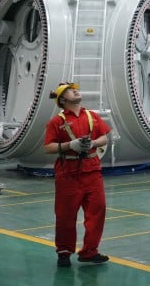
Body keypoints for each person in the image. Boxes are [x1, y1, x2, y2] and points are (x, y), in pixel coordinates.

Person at [44, 82, 111, 268]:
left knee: (98, 211)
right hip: (68, 174)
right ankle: (64, 253)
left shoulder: (92, 116)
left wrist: (93, 144)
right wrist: (69, 146)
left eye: (75, 89)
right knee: (66, 216)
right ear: (62, 100)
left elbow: (105, 137)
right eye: (69, 90)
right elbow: (48, 147)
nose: (75, 90)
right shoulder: (56, 122)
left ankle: (90, 252)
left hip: (92, 171)